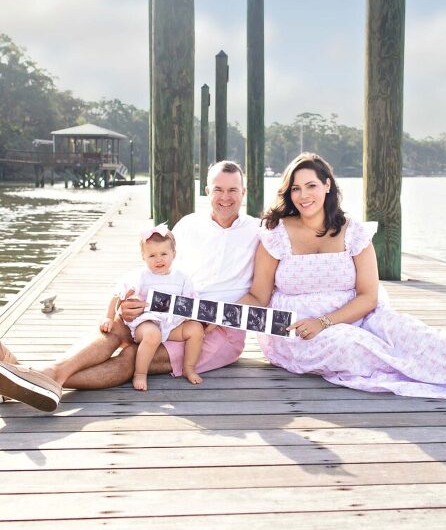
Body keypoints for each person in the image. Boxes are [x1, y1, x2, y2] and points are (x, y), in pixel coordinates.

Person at [0, 160, 260, 412]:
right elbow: (159, 267)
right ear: (207, 191)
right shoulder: (189, 225)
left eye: (233, 190)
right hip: (169, 310)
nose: (225, 197)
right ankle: (39, 377)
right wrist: (131, 302)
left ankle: (30, 376)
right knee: (115, 326)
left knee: (132, 357)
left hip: (221, 328)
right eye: (218, 189)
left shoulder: (257, 231)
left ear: (243, 192)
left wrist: (216, 316)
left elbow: (260, 295)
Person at [241, 152, 446, 399]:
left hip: (358, 315)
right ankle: (440, 377)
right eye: (295, 188)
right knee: (353, 344)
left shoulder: (353, 232)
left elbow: (368, 296)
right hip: (300, 331)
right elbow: (258, 297)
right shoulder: (276, 234)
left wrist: (324, 320)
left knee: (414, 335)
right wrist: (212, 318)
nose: (303, 196)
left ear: (327, 185)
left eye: (311, 185)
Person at [101, 224, 204, 390]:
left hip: (172, 323)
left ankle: (189, 368)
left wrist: (198, 316)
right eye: (152, 255)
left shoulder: (182, 278)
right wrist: (108, 316)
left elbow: (191, 301)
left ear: (174, 254)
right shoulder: (140, 277)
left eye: (164, 254)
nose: (159, 259)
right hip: (147, 322)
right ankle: (140, 374)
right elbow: (118, 294)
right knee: (153, 335)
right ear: (143, 257)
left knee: (196, 329)